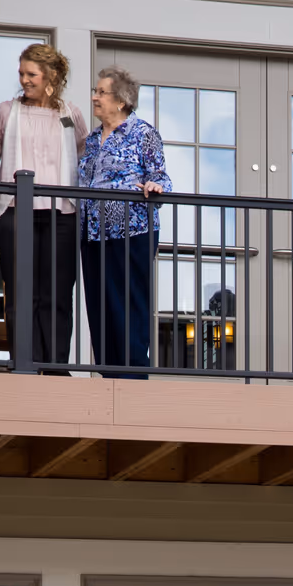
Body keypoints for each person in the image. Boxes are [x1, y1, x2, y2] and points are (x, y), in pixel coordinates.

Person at [0, 44, 88, 372]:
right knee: (20, 294)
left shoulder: (71, 115)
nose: (24, 80)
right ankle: (24, 363)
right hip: (17, 212)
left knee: (58, 295)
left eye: (31, 74)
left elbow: (84, 159)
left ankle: (56, 365)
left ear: (51, 76)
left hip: (63, 214)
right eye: (22, 73)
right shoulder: (5, 111)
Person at [79, 66, 169, 379]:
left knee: (130, 305)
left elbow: (160, 177)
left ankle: (132, 376)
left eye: (101, 92)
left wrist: (154, 187)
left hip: (133, 230)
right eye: (96, 91)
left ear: (121, 101)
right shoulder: (91, 140)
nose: (94, 97)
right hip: (92, 234)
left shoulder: (143, 133)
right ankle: (109, 374)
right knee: (100, 304)